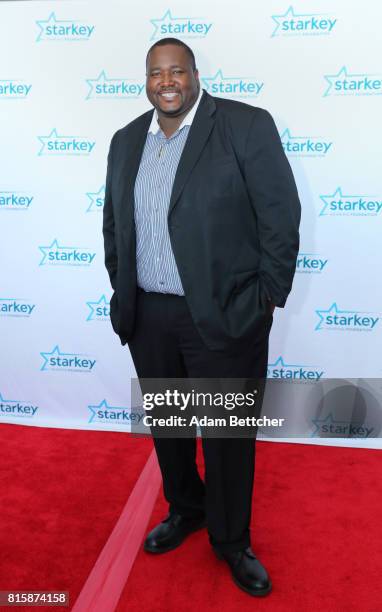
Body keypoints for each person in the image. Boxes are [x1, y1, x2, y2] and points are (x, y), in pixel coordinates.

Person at [103, 38, 301, 597]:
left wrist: (264, 297)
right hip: (149, 316)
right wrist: (123, 285)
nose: (167, 82)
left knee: (226, 436)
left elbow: (281, 217)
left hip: (224, 316)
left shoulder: (244, 126)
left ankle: (232, 540)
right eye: (156, 73)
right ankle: (185, 509)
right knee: (169, 428)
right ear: (146, 79)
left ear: (195, 75)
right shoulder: (124, 142)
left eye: (177, 71)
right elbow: (115, 225)